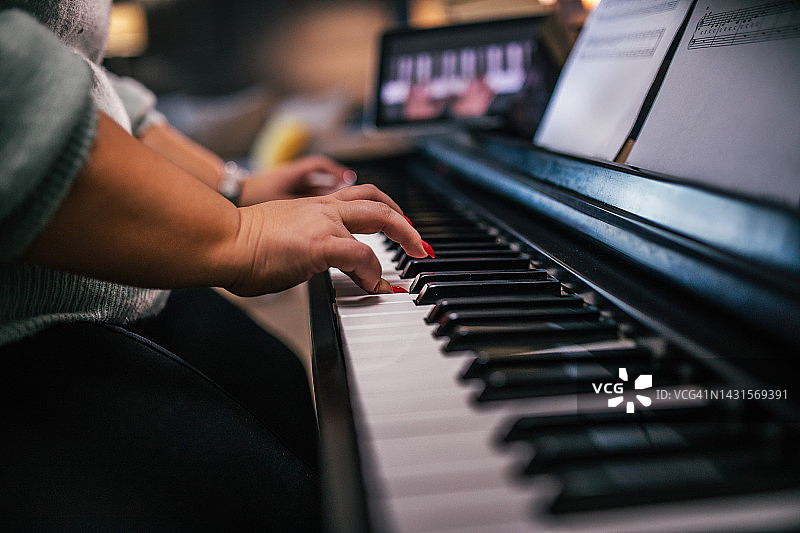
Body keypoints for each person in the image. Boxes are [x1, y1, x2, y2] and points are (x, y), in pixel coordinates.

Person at [0, 3, 429, 530]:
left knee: (285, 391)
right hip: (25, 343)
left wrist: (234, 189)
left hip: (124, 290)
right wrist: (239, 235)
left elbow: (91, 83)